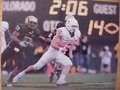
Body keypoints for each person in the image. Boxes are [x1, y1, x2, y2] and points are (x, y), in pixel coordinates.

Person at [13, 17, 81, 86]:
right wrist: (61, 48)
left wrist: (70, 52)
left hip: (59, 54)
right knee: (36, 67)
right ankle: (19, 75)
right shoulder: (61, 31)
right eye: (73, 26)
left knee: (68, 63)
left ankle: (60, 80)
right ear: (68, 25)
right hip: (51, 52)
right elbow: (53, 44)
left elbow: (72, 41)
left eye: (76, 26)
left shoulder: (76, 33)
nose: (74, 28)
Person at [1, 15, 42, 86]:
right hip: (12, 47)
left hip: (20, 49)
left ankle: (9, 81)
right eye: (32, 23)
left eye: (35, 23)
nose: (34, 25)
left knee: (20, 65)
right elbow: (13, 36)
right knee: (1, 60)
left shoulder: (35, 31)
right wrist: (20, 42)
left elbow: (37, 38)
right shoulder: (22, 27)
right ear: (27, 22)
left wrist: (32, 44)